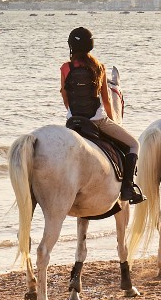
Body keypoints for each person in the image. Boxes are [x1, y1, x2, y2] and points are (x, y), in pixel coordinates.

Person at [60, 27, 144, 204]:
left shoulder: (65, 68)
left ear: (71, 46)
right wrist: (114, 122)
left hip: (72, 121)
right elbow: (106, 101)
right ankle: (128, 187)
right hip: (97, 121)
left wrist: (72, 114)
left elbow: (65, 97)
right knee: (134, 144)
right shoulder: (99, 67)